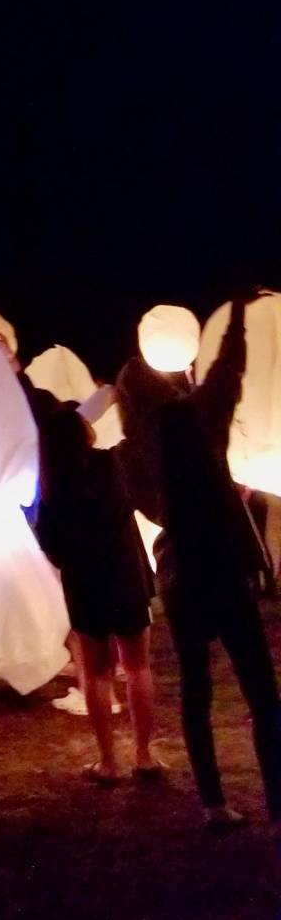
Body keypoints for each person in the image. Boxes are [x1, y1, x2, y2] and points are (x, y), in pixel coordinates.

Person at [118, 295, 281, 829]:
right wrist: (236, 314)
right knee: (259, 688)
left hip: (179, 569)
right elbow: (229, 368)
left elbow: (214, 373)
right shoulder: (198, 422)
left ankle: (213, 803)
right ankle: (277, 803)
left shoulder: (142, 440)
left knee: (196, 689)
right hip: (218, 569)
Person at [28, 398, 160, 784]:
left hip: (86, 583)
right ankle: (144, 754)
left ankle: (108, 761)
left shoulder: (53, 485)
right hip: (125, 576)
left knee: (98, 672)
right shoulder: (111, 465)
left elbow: (51, 544)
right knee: (137, 666)